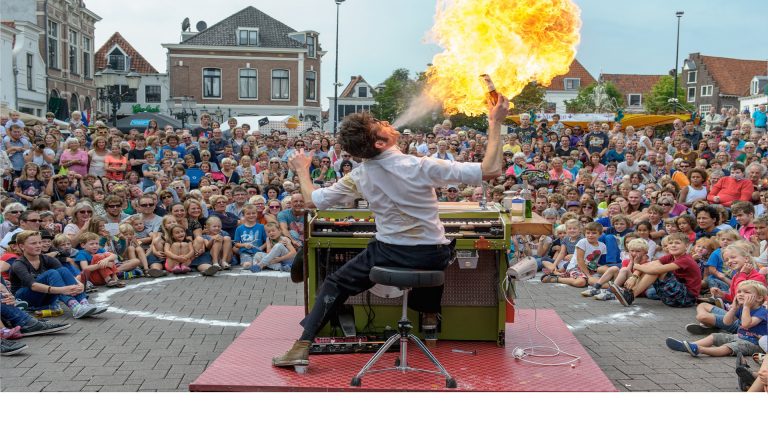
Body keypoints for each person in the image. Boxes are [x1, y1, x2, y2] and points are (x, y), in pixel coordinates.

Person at [271, 93, 510, 368]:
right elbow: (491, 169)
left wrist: (302, 169)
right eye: (379, 123)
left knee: (335, 283)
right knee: (440, 255)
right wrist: (495, 122)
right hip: (432, 255)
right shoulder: (420, 166)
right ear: (380, 142)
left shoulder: (360, 174)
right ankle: (429, 320)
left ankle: (303, 345)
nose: (386, 121)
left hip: (387, 254)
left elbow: (313, 201)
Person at [10, 230, 106, 318]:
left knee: (62, 270)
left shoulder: (47, 259)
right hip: (24, 299)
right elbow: (33, 286)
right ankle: (75, 307)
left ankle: (84, 303)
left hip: (45, 297)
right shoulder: (18, 264)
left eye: (40, 242)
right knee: (51, 273)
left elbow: (65, 274)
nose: (38, 245)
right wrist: (63, 289)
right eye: (33, 243)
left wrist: (79, 284)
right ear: (22, 246)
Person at [666, 280, 766, 358]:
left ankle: (699, 349)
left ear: (759, 298)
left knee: (727, 348)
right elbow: (726, 322)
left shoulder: (762, 312)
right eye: (739, 291)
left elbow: (746, 324)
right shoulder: (741, 308)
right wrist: (734, 308)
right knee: (714, 336)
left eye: (746, 292)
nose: (740, 294)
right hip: (739, 336)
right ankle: (688, 346)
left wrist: (746, 307)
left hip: (755, 344)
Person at [610, 232, 701, 308]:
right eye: (670, 243)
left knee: (656, 270)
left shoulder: (686, 259)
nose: (673, 245)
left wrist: (637, 266)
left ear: (686, 246)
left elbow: (655, 270)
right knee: (653, 266)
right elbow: (650, 264)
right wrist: (634, 276)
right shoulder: (670, 256)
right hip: (672, 297)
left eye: (677, 243)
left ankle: (630, 296)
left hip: (686, 298)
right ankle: (629, 293)